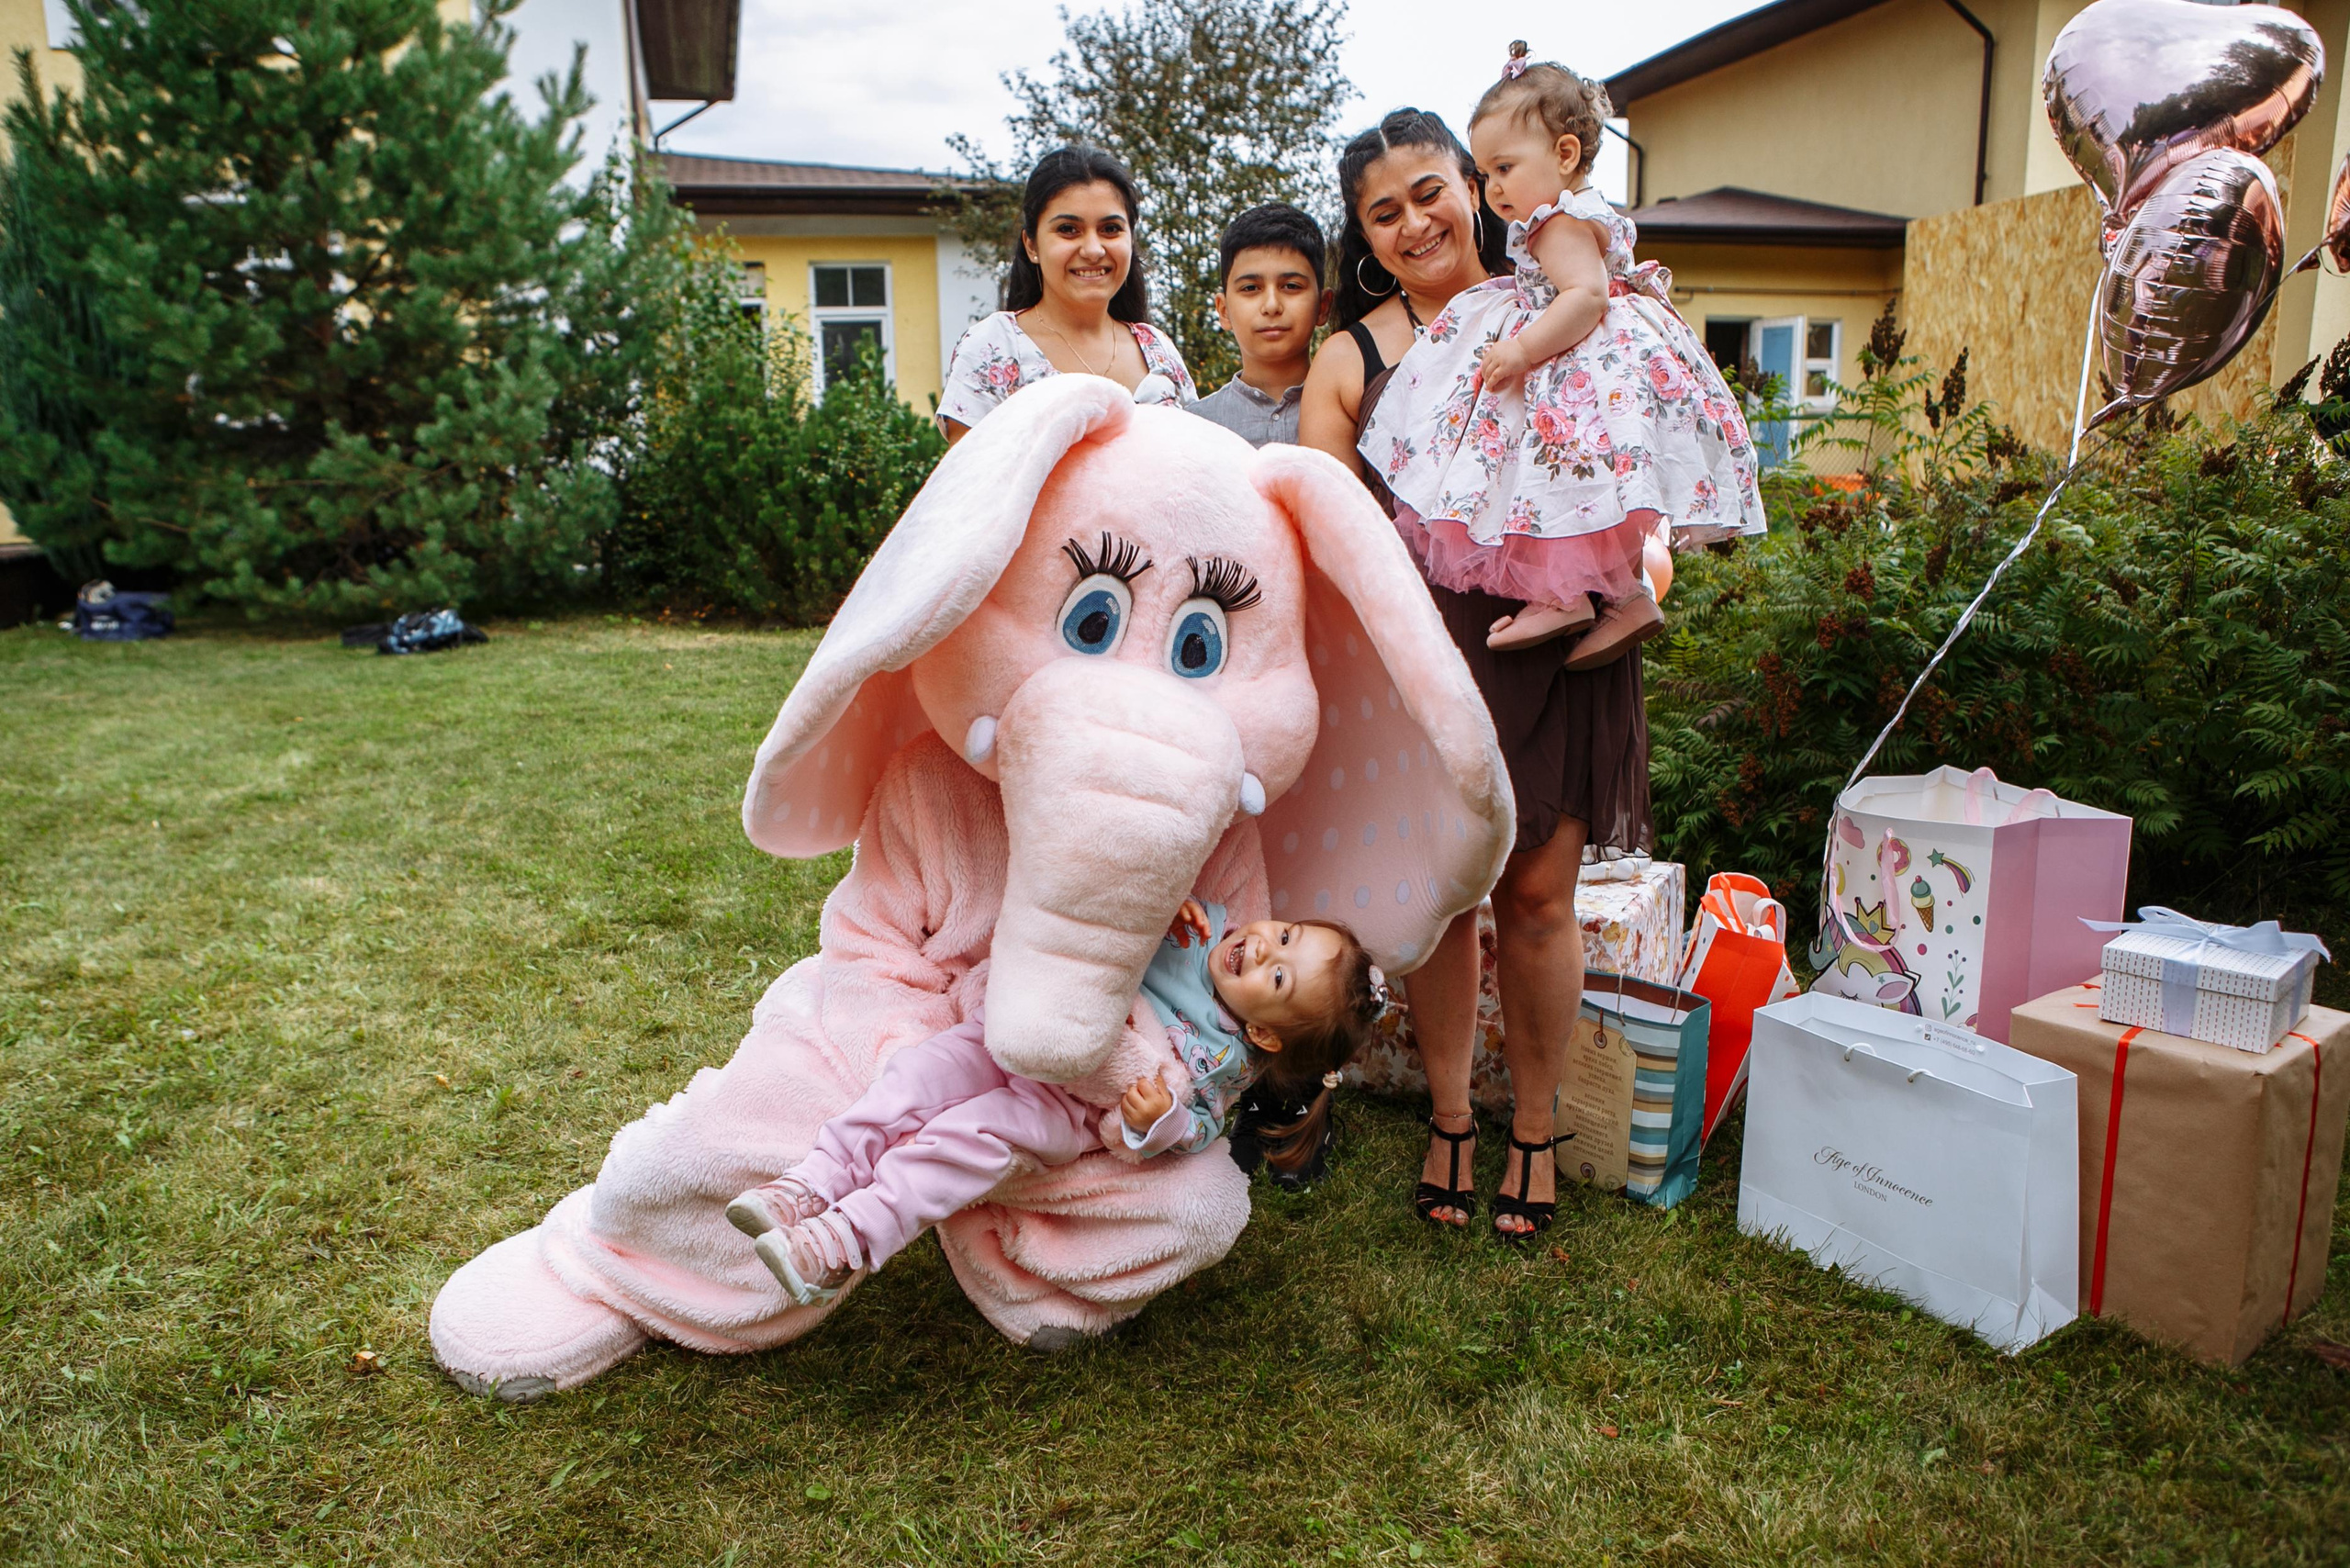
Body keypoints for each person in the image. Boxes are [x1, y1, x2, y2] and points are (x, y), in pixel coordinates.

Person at [1302, 106, 1647, 1241]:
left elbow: (1640, 428)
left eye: (1430, 190)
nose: (1413, 223)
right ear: (1361, 235)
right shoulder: (1350, 357)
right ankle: (1452, 1115)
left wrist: (1644, 575)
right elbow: (1318, 520)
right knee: (1445, 896)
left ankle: (1534, 1124)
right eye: (1381, 211)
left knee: (1540, 898)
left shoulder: (1568, 295)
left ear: (1472, 184)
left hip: (1559, 626)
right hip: (1424, 645)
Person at [725, 901, 1388, 1304]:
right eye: (1290, 933)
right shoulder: (1201, 924)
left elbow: (1198, 1131)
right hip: (1018, 1035)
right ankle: (813, 1181)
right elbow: (1103, 916)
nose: (1265, 944)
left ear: (1266, 1032)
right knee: (913, 1080)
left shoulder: (1225, 1062)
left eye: (1278, 974)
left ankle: (844, 1243)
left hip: (1064, 1107)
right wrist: (1156, 904)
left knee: (966, 1139)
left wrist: (1155, 1118)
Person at [1361, 43, 1763, 660]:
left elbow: (1585, 297)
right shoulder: (1575, 213)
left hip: (1579, 357)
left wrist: (1520, 350)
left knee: (1551, 466)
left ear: (1564, 154)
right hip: (1603, 359)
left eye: (1504, 169)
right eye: (1488, 173)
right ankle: (1627, 595)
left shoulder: (1556, 222)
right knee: (1587, 472)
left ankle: (1563, 597)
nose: (1493, 187)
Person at [937, 147, 1196, 444]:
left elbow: (1195, 468)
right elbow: (971, 483)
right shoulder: (995, 346)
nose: (1093, 250)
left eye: (1110, 229)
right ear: (1032, 245)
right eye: (1068, 229)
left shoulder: (1159, 350)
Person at [1190, 204, 1332, 448]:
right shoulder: (1194, 427)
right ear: (1224, 310)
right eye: (1250, 288)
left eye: (1291, 286)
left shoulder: (1353, 411)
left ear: (1323, 306)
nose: (1271, 305)